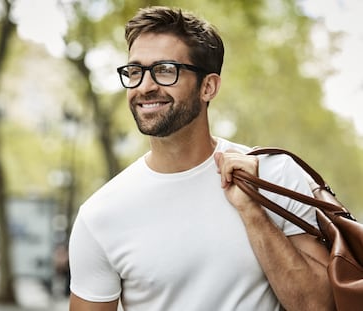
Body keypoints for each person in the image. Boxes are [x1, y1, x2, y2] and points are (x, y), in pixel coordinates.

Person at [69, 6, 334, 311]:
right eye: (134, 71)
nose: (144, 86)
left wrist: (253, 212)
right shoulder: (100, 215)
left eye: (165, 70)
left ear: (208, 86)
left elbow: (321, 305)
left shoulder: (275, 174)